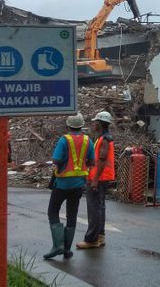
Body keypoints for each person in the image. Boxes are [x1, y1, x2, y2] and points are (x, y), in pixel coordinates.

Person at [44, 113, 94, 259]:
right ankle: (66, 250)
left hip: (62, 184)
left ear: (68, 125)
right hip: (78, 185)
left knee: (52, 212)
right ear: (81, 125)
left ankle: (58, 246)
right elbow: (92, 161)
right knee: (71, 215)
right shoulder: (87, 140)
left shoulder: (64, 139)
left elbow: (56, 160)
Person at [76, 111, 115, 249]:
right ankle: (100, 237)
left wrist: (95, 180)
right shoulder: (102, 138)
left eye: (94, 122)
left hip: (98, 179)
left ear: (99, 124)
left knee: (94, 209)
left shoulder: (104, 139)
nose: (93, 124)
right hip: (101, 178)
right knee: (99, 208)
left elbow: (103, 160)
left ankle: (91, 239)